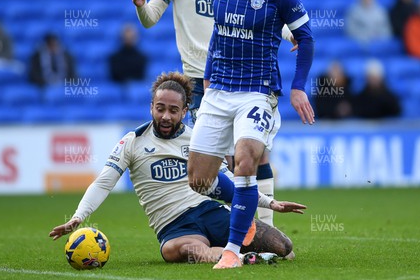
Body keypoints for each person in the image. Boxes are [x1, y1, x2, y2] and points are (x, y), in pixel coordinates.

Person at [131, 0, 294, 226]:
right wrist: (140, 6)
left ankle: (263, 231)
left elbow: (265, 15)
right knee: (225, 161)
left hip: (239, 76)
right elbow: (150, 20)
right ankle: (243, 231)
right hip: (197, 84)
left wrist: (291, 34)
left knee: (255, 155)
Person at [48, 72, 305, 264]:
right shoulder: (132, 142)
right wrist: (78, 217)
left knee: (285, 247)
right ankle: (243, 257)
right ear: (151, 107)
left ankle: (247, 254)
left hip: (210, 211)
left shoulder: (197, 140)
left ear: (184, 111)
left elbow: (227, 180)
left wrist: (270, 203)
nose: (166, 116)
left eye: (173, 110)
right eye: (160, 109)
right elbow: (104, 182)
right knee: (189, 250)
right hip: (174, 228)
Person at [187, 0, 315, 269]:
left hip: (257, 93)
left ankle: (232, 250)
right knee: (198, 178)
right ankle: (257, 207)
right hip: (218, 93)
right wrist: (210, 79)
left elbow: (306, 38)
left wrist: (298, 87)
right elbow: (218, 37)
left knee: (245, 159)